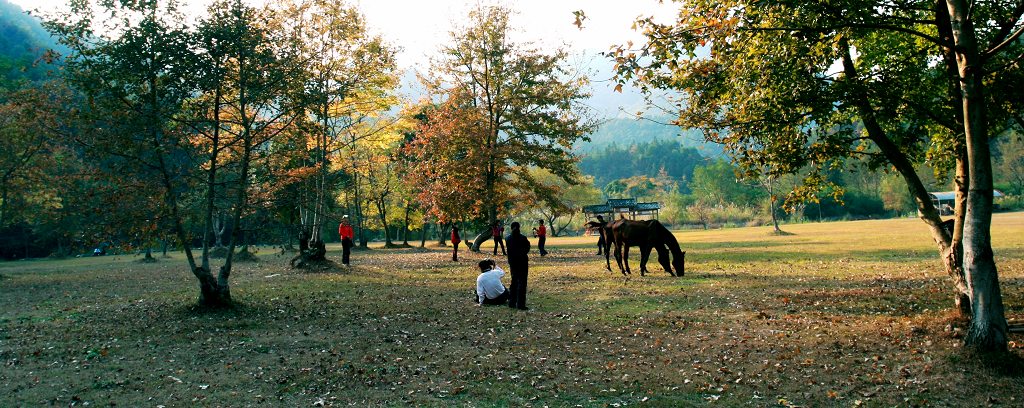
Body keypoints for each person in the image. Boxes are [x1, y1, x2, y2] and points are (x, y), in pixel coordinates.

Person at [505, 221, 531, 310]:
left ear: (511, 228)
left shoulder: (507, 238)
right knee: (522, 283)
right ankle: (520, 304)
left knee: (514, 281)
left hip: (513, 262)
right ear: (519, 227)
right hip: (522, 262)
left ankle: (512, 301)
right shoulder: (523, 238)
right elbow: (527, 248)